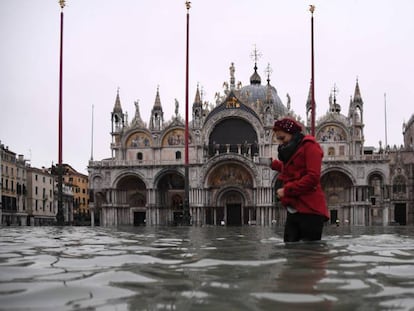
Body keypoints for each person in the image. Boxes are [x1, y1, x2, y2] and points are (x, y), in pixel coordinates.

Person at [270, 117, 329, 242]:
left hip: (311, 209)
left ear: (293, 134)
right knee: (290, 250)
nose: (280, 143)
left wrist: (287, 191)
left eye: (283, 138)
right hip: (295, 208)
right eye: (278, 139)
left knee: (309, 253)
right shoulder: (293, 149)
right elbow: (295, 169)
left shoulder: (310, 146)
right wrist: (273, 164)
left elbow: (312, 177)